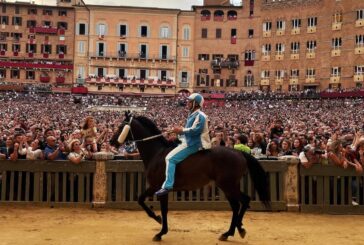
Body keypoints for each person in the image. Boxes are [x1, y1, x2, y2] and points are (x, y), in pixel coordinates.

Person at [155, 93, 211, 196]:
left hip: (195, 144)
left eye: (190, 101)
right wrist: (177, 135)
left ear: (196, 104)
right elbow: (187, 133)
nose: (188, 103)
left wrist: (180, 130)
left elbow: (195, 131)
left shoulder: (200, 116)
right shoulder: (192, 114)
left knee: (170, 159)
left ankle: (167, 186)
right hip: (189, 141)